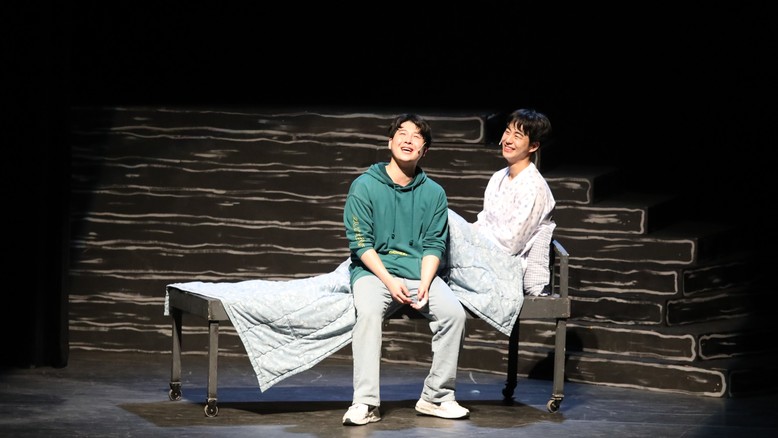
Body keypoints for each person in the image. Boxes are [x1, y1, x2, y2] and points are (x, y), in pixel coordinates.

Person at [341, 114, 469, 426]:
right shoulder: (364, 186)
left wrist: (425, 281)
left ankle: (436, 397)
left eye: (416, 136)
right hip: (374, 273)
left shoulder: (434, 193)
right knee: (368, 313)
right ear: (390, 142)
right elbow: (360, 242)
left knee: (454, 314)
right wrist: (388, 280)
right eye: (402, 133)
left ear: (425, 150)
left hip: (417, 272)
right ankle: (365, 402)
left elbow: (434, 243)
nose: (408, 139)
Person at [472, 108, 556, 264]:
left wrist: (472, 239)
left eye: (517, 136)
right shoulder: (498, 177)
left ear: (533, 146)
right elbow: (483, 220)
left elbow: (511, 244)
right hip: (482, 254)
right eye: (507, 132)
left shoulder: (534, 188)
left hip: (506, 264)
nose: (508, 140)